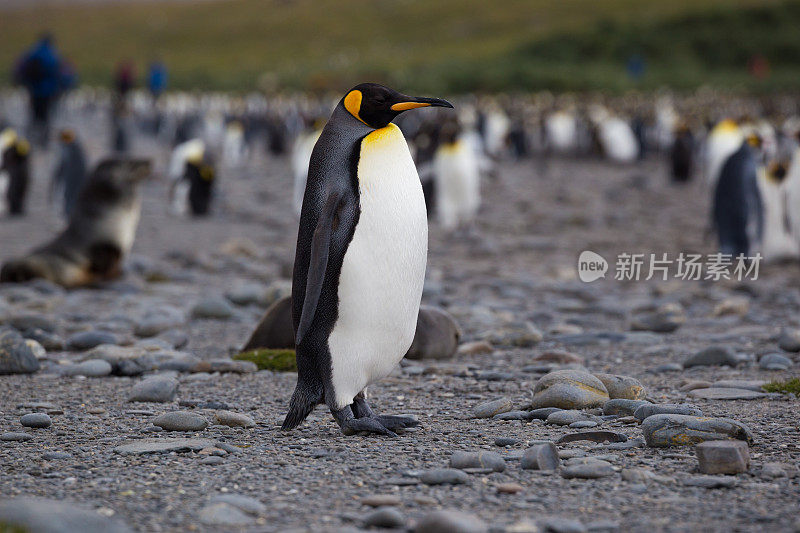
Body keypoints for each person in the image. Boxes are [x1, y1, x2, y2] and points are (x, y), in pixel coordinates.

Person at [13, 33, 68, 146]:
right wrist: (62, 87)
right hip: (48, 92)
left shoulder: (32, 53)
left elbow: (21, 69)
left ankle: (31, 140)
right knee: (46, 117)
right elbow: (59, 74)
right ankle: (44, 141)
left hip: (33, 90)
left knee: (34, 116)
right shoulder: (52, 55)